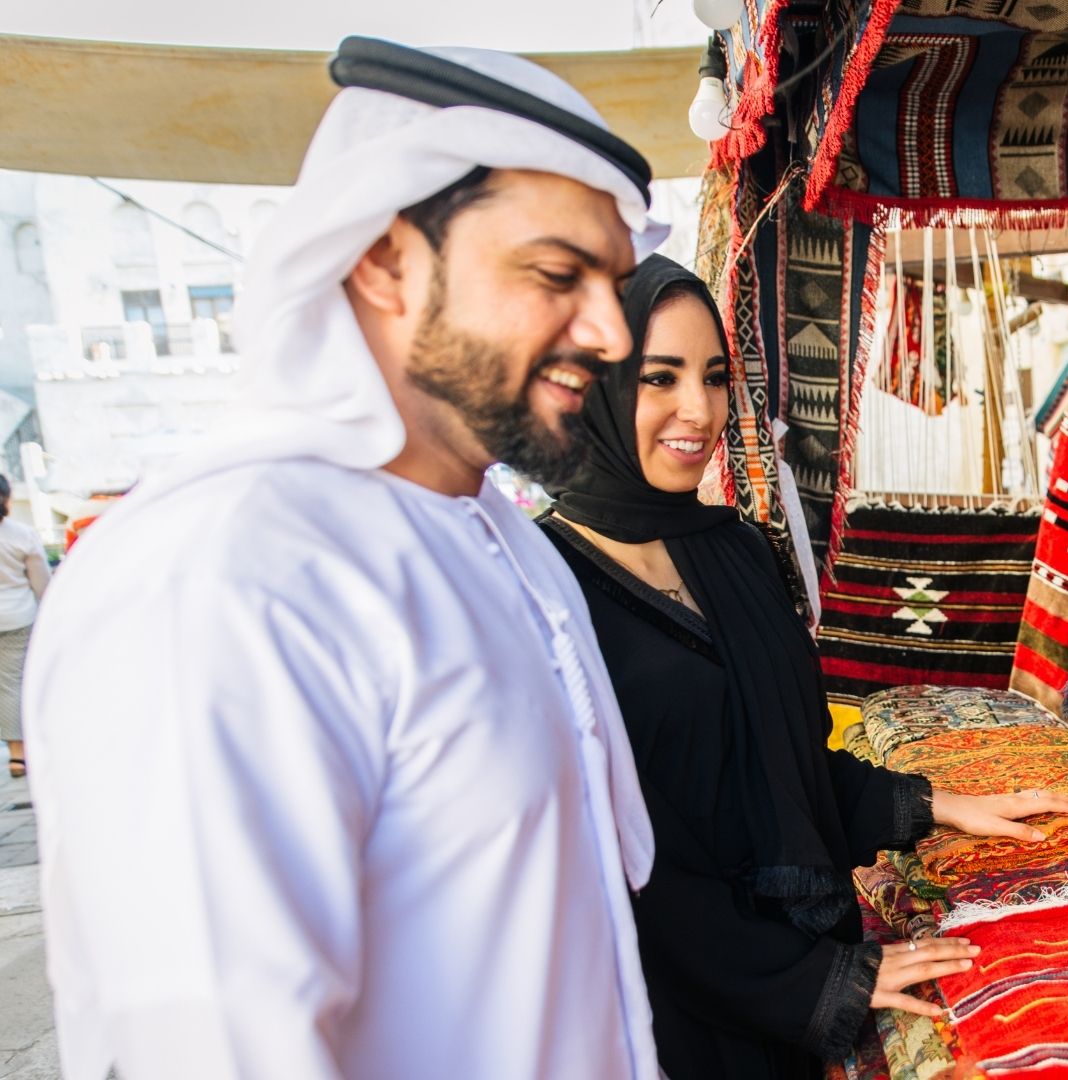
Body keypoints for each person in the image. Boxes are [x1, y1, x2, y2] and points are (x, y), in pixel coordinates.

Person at [24, 38, 672, 1080]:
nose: (607, 332)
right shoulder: (231, 577)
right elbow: (215, 1047)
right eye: (558, 274)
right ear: (382, 259)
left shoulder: (500, 543)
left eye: (614, 283)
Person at [540, 256, 1068, 1078]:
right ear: (591, 383)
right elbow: (612, 858)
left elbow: (779, 762)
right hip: (660, 1018)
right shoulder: (539, 587)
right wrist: (814, 984)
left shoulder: (734, 550)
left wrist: (937, 805)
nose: (700, 410)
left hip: (784, 994)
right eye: (661, 378)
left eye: (716, 377)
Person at [0, 475, 48, 778]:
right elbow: (42, 584)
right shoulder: (22, 535)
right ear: (6, 500)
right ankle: (19, 755)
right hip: (17, 619)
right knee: (14, 684)